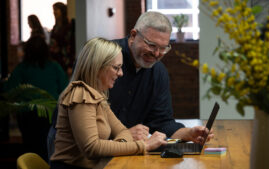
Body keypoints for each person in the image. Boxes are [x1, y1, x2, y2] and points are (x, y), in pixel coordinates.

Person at [47, 11, 214, 159]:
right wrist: (135, 141)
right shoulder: (101, 59)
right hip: (79, 155)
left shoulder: (158, 73)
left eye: (163, 48)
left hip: (116, 151)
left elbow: (161, 121)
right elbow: (91, 145)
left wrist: (187, 133)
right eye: (151, 45)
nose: (156, 54)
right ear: (133, 35)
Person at [50, 38, 167, 169]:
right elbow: (92, 147)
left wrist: (116, 145)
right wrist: (143, 146)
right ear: (98, 66)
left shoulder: (97, 96)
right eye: (116, 68)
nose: (121, 73)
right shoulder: (81, 94)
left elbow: (123, 131)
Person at [2, 36, 68, 161]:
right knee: (49, 150)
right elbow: (66, 90)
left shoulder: (22, 68)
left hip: (28, 116)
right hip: (51, 114)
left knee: (31, 150)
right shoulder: (54, 67)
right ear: (46, 50)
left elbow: (9, 90)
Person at [49, 2, 74, 77]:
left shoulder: (69, 27)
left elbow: (71, 45)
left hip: (64, 61)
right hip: (55, 60)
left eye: (56, 10)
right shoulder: (55, 27)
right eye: (53, 10)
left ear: (62, 11)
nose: (54, 12)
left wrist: (70, 65)